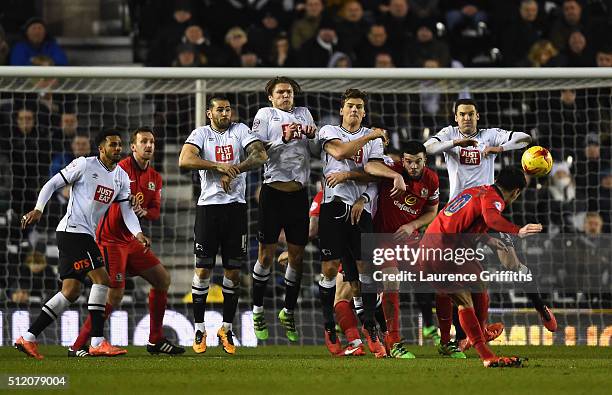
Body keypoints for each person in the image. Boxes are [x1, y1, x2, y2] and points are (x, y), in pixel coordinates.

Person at [424, 98, 556, 346]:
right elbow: (427, 149)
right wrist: (456, 143)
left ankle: (540, 307)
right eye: (462, 114)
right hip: (461, 217)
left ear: (478, 116)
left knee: (513, 263)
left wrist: (500, 150)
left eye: (471, 114)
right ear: (455, 117)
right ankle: (459, 338)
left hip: (489, 207)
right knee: (453, 282)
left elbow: (525, 138)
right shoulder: (449, 135)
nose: (466, 118)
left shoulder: (490, 136)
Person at [16, 129, 150, 360]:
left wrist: (138, 233)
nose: (118, 148)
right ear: (101, 148)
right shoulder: (84, 165)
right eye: (112, 145)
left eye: (119, 145)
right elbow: (52, 184)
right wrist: (39, 209)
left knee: (70, 291)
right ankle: (97, 341)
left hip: (83, 234)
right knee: (102, 279)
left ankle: (27, 337)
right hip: (73, 232)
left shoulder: (121, 177)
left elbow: (127, 211)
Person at [70, 127, 184, 357]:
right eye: (144, 141)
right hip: (110, 240)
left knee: (162, 279)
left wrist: (143, 211)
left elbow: (155, 212)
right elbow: (103, 195)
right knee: (114, 295)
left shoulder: (155, 178)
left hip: (131, 240)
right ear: (133, 147)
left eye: (152, 141)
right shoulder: (120, 169)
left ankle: (155, 340)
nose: (149, 145)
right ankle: (79, 344)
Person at [422, 167, 543, 367]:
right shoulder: (494, 200)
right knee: (464, 299)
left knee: (479, 280)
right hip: (443, 252)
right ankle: (486, 355)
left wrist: (488, 240)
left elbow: (463, 222)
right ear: (516, 192)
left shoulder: (476, 191)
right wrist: (517, 230)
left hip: (436, 245)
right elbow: (491, 219)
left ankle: (480, 331)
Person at [179, 96, 267, 354]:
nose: (225, 113)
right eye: (220, 109)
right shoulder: (201, 133)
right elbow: (184, 160)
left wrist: (235, 169)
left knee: (233, 272)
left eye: (228, 109)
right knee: (203, 270)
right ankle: (199, 328)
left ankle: (226, 329)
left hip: (236, 209)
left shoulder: (240, 130)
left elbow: (260, 154)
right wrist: (217, 166)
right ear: (209, 113)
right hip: (208, 209)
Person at [317, 88, 390, 358]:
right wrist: (371, 134)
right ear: (341, 110)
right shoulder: (328, 131)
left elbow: (373, 174)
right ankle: (328, 327)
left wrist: (357, 190)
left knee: (364, 269)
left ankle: (370, 328)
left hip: (361, 207)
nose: (355, 110)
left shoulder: (375, 143)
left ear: (364, 110)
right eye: (350, 106)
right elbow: (339, 153)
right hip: (333, 206)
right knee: (328, 269)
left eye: (359, 107)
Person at [249, 77, 316, 343]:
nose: (286, 96)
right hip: (273, 193)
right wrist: (282, 138)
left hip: (299, 194)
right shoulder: (265, 115)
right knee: (266, 256)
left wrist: (313, 137)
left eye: (289, 92)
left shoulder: (304, 113)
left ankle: (288, 311)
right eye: (280, 92)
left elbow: (315, 149)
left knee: (296, 257)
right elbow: (256, 151)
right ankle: (257, 309)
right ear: (271, 96)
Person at [364, 141, 440, 358]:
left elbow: (432, 211)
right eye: (408, 161)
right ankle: (394, 341)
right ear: (402, 160)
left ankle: (443, 335)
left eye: (418, 161)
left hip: (410, 239)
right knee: (391, 280)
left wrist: (412, 226)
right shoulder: (394, 169)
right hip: (383, 238)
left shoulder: (432, 179)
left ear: (425, 160)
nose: (413, 166)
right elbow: (369, 167)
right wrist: (395, 176)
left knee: (433, 279)